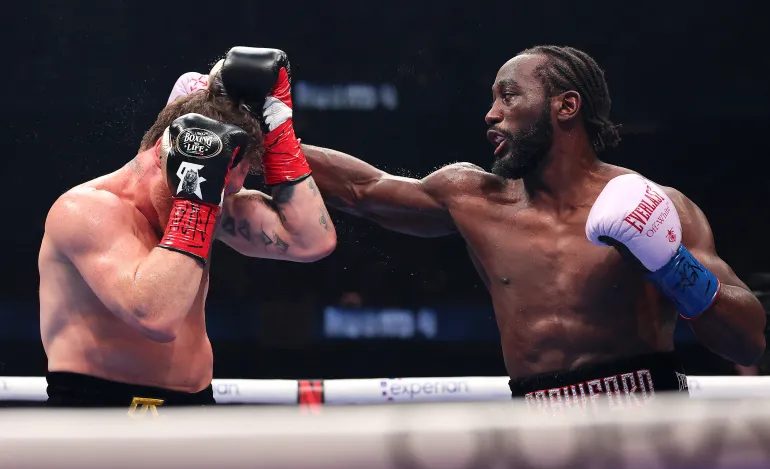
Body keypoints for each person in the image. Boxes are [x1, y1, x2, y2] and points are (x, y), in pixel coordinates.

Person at [299, 45, 766, 409]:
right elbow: (363, 189)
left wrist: (670, 265)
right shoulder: (474, 198)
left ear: (566, 106)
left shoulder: (655, 206)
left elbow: (747, 342)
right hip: (538, 429)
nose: (491, 113)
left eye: (509, 95)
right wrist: (270, 132)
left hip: (647, 420)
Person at [39, 47, 336, 407]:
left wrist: (278, 128)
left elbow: (310, 242)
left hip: (194, 406)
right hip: (100, 409)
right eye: (222, 181)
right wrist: (198, 198)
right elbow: (156, 317)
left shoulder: (215, 199)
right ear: (170, 153)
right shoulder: (86, 210)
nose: (230, 193)